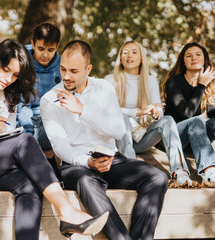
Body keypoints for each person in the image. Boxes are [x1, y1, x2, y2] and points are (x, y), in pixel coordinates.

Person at [0, 39, 108, 240]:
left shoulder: (8, 99)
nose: (8, 78)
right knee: (25, 141)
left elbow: (4, 142)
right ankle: (67, 212)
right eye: (5, 69)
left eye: (15, 75)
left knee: (29, 184)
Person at [41, 40, 168, 240]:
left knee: (157, 177)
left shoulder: (104, 88)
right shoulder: (49, 100)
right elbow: (59, 146)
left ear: (88, 69)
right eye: (63, 69)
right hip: (77, 165)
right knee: (86, 180)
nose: (66, 76)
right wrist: (87, 162)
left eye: (74, 71)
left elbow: (118, 130)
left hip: (112, 160)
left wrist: (83, 110)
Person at [105, 40, 192, 186]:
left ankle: (180, 173)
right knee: (121, 116)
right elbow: (107, 110)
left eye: (134, 52)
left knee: (168, 120)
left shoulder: (150, 81)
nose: (129, 55)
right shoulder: (109, 80)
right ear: (120, 58)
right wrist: (138, 112)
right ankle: (132, 169)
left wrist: (155, 113)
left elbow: (158, 108)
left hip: (140, 138)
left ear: (141, 58)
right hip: (118, 137)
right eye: (125, 52)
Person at [163, 42, 215, 187]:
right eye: (189, 55)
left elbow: (211, 113)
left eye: (198, 55)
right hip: (176, 136)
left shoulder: (211, 83)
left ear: (205, 59)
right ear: (183, 61)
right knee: (196, 121)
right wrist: (201, 86)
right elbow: (187, 114)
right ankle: (209, 173)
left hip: (197, 137)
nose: (194, 58)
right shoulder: (173, 83)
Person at [17, 22, 61, 150]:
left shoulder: (62, 67)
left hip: (50, 121)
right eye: (41, 49)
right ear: (33, 43)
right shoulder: (21, 62)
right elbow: (22, 104)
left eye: (51, 50)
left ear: (57, 46)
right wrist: (27, 132)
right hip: (24, 120)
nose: (45, 55)